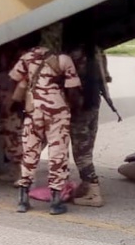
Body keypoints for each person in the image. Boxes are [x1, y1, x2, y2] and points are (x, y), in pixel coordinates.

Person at [9, 23, 81, 215]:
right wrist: (72, 108)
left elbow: (15, 80)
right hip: (57, 112)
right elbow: (73, 91)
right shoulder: (63, 59)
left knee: (30, 153)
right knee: (58, 154)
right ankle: (55, 203)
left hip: (33, 111)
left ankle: (23, 201)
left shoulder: (27, 57)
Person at [68, 41, 117, 207]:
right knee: (87, 148)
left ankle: (94, 192)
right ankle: (86, 184)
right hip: (94, 103)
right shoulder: (98, 50)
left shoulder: (72, 52)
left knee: (81, 152)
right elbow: (105, 79)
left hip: (78, 107)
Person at [0, 45, 24, 183]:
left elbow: (19, 80)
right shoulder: (5, 53)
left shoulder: (20, 54)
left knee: (15, 135)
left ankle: (21, 173)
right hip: (4, 98)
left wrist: (13, 99)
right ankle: (13, 170)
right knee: (6, 134)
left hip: (14, 101)